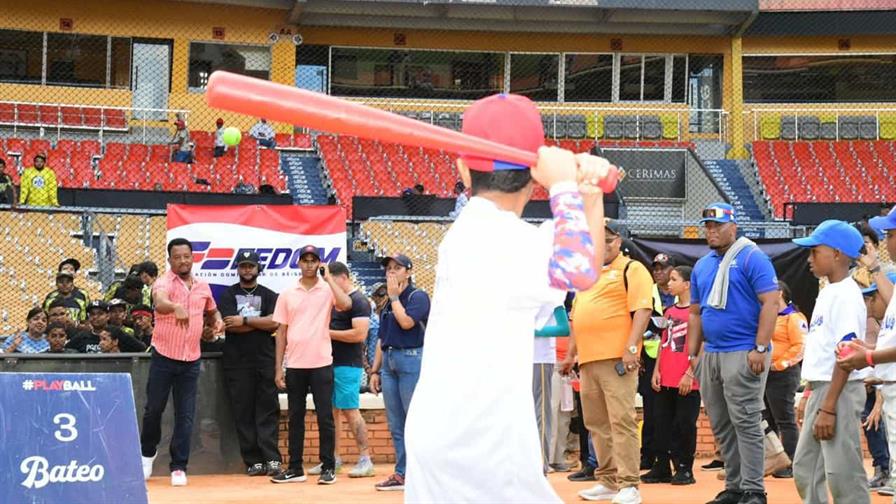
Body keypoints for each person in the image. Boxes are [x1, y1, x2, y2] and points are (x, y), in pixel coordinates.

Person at [400, 93, 611, 502]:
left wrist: (588, 193)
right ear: (535, 177)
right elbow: (580, 269)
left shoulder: (480, 232)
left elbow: (584, 258)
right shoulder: (507, 240)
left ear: (464, 169)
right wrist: (565, 185)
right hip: (485, 445)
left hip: (454, 437)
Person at [687, 203, 779, 504]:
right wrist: (693, 355)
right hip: (711, 353)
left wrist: (761, 347)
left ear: (733, 227)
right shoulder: (702, 265)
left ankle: (754, 489)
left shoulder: (753, 257)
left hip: (743, 350)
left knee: (746, 420)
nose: (711, 231)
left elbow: (770, 303)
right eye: (708, 226)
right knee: (721, 423)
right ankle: (735, 485)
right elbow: (697, 313)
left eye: (717, 225)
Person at [564, 219, 652, 504]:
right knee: (596, 423)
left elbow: (642, 310)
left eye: (609, 239)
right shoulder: (586, 277)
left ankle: (629, 484)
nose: (604, 244)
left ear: (619, 241)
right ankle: (608, 480)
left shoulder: (631, 269)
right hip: (588, 361)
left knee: (621, 420)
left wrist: (630, 347)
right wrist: (571, 354)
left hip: (617, 358)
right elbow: (577, 318)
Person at [790, 220, 869, 504]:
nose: (809, 258)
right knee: (805, 469)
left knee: (842, 474)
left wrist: (829, 406)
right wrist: (810, 392)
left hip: (840, 391)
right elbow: (823, 351)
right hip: (822, 389)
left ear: (836, 254)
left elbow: (846, 356)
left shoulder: (847, 295)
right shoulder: (827, 291)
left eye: (815, 251)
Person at [141, 238, 224, 487]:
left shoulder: (202, 286)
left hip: (191, 360)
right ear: (170, 260)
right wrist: (175, 306)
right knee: (154, 410)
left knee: (186, 415)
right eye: (177, 257)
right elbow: (160, 301)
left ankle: (178, 466)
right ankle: (147, 453)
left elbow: (212, 311)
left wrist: (216, 321)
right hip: (164, 357)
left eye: (186, 256)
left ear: (193, 257)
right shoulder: (163, 282)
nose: (182, 260)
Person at [270, 245, 352, 485]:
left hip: (321, 362)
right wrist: (279, 368)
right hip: (295, 364)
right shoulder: (287, 294)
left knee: (325, 417)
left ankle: (328, 467)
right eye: (304, 260)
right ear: (298, 263)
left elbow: (346, 304)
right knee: (295, 416)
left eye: (313, 260)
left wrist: (328, 279)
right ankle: (295, 468)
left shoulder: (327, 290)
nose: (308, 264)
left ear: (319, 263)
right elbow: (281, 332)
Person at [367, 253, 431, 492]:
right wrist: (374, 370)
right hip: (390, 362)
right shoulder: (387, 303)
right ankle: (402, 473)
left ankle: (421, 473)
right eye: (388, 268)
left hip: (411, 358)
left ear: (408, 272)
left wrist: (394, 297)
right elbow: (382, 338)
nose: (391, 272)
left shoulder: (417, 296)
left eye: (397, 268)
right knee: (396, 423)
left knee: (414, 419)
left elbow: (406, 323)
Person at [216, 252, 282, 477]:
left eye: (250, 266)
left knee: (268, 410)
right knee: (243, 412)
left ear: (258, 268)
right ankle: (253, 460)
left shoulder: (270, 294)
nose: (247, 270)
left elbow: (275, 322)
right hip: (237, 362)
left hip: (264, 360)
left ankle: (272, 458)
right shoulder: (228, 295)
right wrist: (259, 323)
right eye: (243, 266)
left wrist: (245, 320)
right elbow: (228, 325)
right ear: (237, 269)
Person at [319, 261, 374, 478]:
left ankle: (365, 459)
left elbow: (359, 335)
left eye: (331, 281)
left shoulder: (360, 301)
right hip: (331, 361)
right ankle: (334, 459)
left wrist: (326, 334)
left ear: (342, 277)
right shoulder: (336, 301)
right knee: (333, 412)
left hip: (348, 364)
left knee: (351, 411)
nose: (329, 286)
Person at [646, 265, 699, 486]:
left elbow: (701, 345)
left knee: (684, 424)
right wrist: (657, 369)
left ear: (687, 284)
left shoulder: (697, 312)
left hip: (686, 378)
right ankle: (662, 465)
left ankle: (685, 467)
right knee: (661, 422)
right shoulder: (669, 312)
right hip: (665, 375)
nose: (669, 283)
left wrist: (690, 373)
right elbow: (664, 343)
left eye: (674, 279)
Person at [762, 280, 806, 479]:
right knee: (767, 418)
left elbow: (800, 347)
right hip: (765, 374)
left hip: (783, 374)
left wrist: (780, 364)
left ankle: (790, 461)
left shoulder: (793, 317)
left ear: (779, 293)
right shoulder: (767, 316)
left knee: (785, 419)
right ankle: (773, 459)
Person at [640, 253, 677, 471]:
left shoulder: (680, 293)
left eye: (663, 268)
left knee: (671, 411)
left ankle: (671, 456)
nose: (658, 272)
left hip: (674, 358)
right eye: (655, 268)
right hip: (650, 356)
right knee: (650, 410)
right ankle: (648, 455)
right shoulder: (648, 291)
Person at [861, 274, 894, 492]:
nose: (870, 303)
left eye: (873, 296)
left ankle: (884, 470)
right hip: (884, 384)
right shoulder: (884, 322)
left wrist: (867, 357)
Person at [66, 300, 146, 353]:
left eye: (100, 314)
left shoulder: (117, 333)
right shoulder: (82, 336)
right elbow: (66, 350)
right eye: (92, 314)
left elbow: (141, 348)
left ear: (108, 316)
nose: (95, 317)